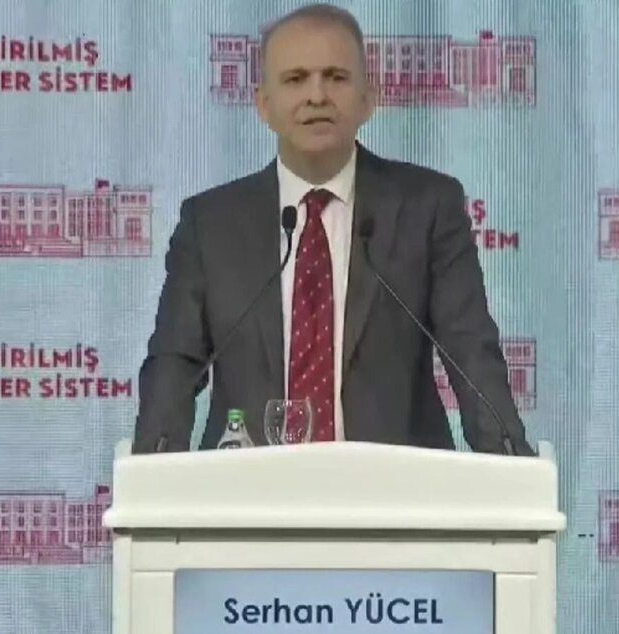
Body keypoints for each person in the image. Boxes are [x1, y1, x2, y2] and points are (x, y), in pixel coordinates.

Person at [133, 3, 534, 455]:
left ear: (368, 98)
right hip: (250, 486)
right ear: (263, 105)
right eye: (295, 79)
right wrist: (150, 470)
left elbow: (470, 353)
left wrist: (511, 466)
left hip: (395, 484)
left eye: (336, 77)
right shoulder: (210, 224)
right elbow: (174, 364)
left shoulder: (426, 207)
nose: (317, 96)